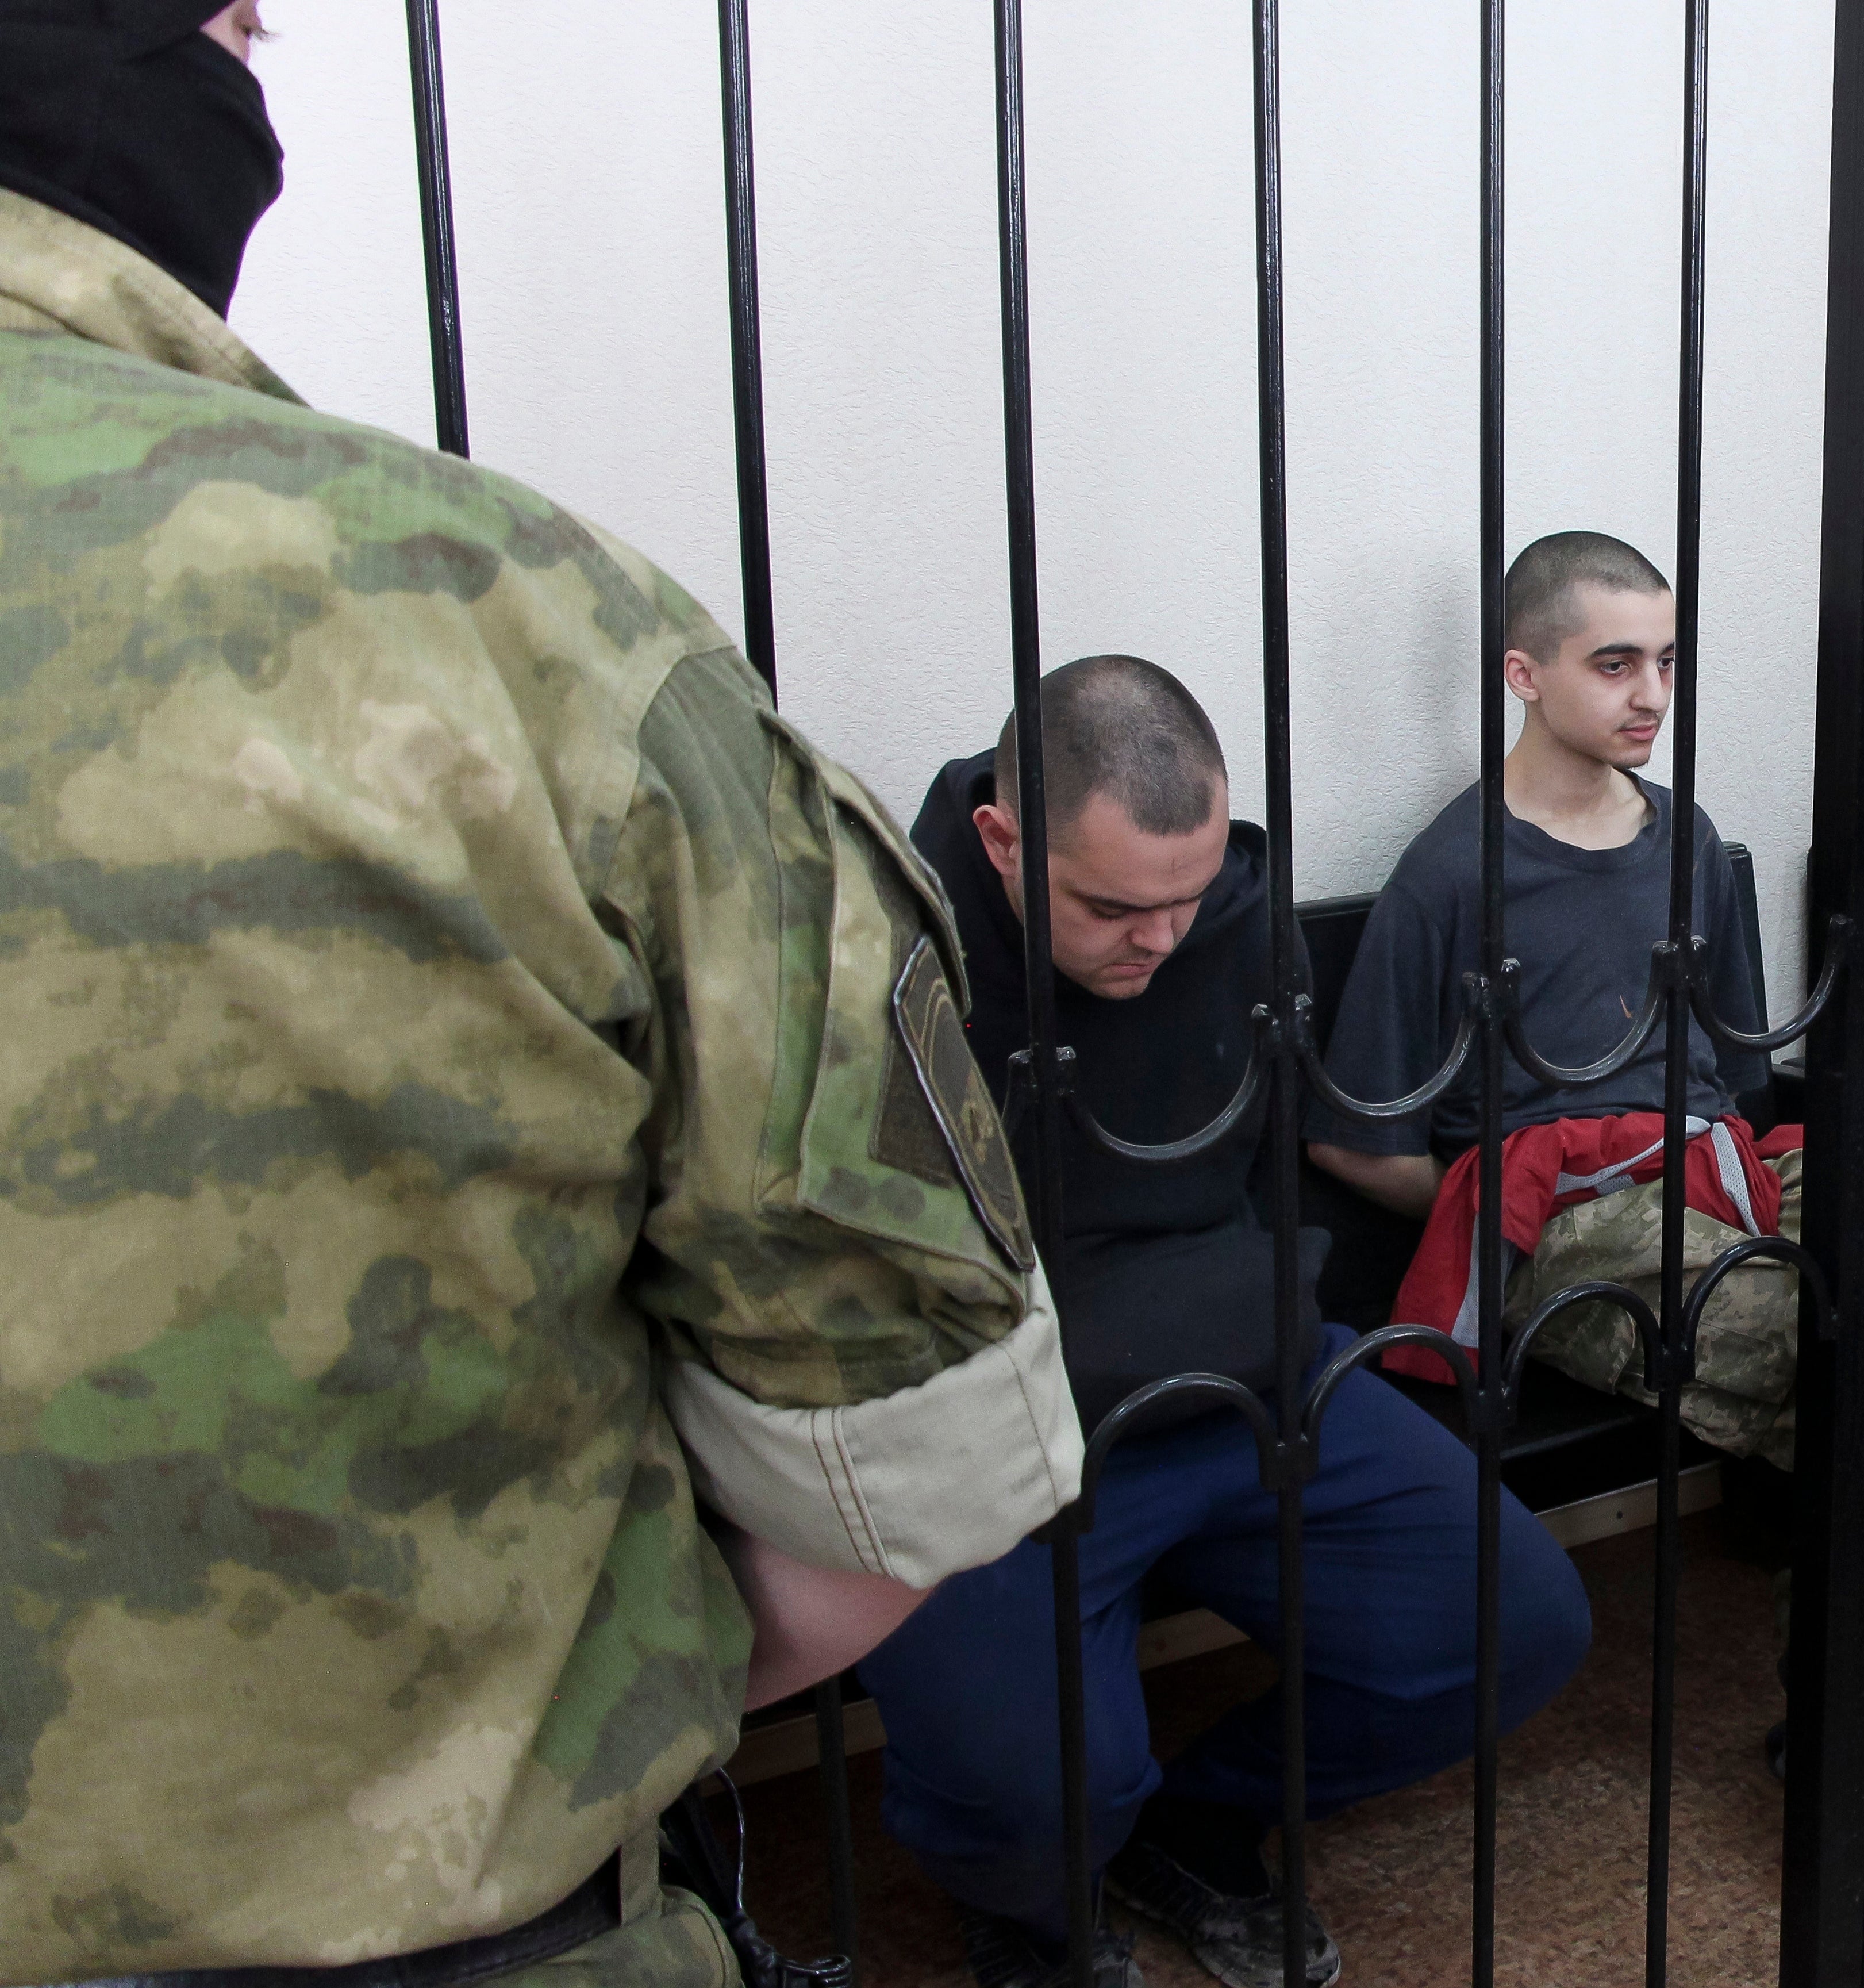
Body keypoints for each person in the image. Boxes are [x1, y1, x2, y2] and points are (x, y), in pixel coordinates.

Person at [0, 6, 1082, 1985]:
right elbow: (897, 1480)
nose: (260, 56)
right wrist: (536, 1712)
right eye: (234, 20)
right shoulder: (513, 633)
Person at [1303, 531, 1864, 1885]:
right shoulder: (1453, 872)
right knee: (1852, 1335)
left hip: (1718, 1160)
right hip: (1573, 1208)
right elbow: (1358, 1137)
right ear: (1524, 673)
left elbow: (1739, 1073)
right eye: (1614, 661)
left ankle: (1858, 1685)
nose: (1651, 691)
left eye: (1667, 660)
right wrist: (1505, 1196)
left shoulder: (1685, 836)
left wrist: (1720, 1172)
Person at [864, 657, 1590, 1988]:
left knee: (1517, 1618)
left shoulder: (1222, 913)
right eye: (1112, 908)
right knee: (1042, 1793)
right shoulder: (882, 947)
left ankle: (1196, 1821)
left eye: (1185, 900)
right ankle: (1034, 1889)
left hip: (1231, 1376)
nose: (1160, 938)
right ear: (999, 844)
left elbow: (1263, 1152)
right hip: (984, 1425)